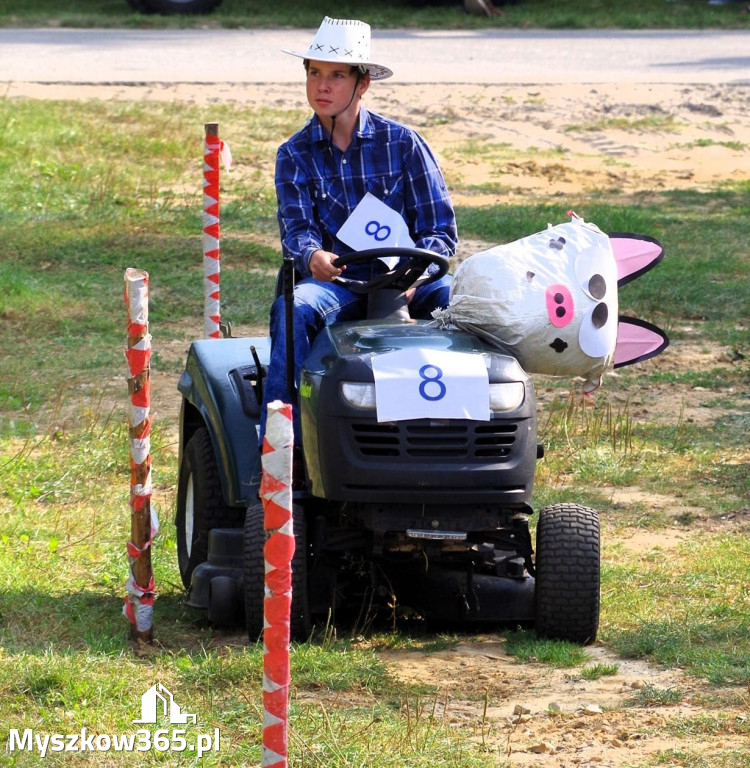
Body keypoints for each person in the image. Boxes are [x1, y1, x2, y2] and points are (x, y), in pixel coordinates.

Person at [261, 16, 458, 446]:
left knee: (465, 301)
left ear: (362, 84)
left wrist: (416, 278)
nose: (321, 86)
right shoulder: (293, 155)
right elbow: (297, 231)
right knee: (294, 308)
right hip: (339, 284)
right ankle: (280, 451)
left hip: (409, 281)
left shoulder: (403, 143)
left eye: (335, 75)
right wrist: (314, 257)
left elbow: (440, 232)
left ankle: (470, 429)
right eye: (314, 73)